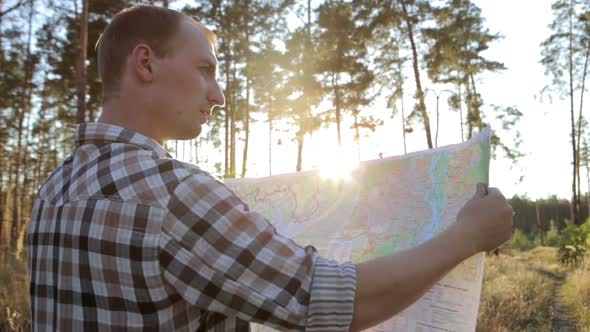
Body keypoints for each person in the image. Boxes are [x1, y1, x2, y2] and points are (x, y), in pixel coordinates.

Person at [27, 5, 513, 331]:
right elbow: (344, 304)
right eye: (205, 71)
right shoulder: (174, 196)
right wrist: (468, 236)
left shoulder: (52, 191)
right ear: (145, 64)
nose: (217, 97)